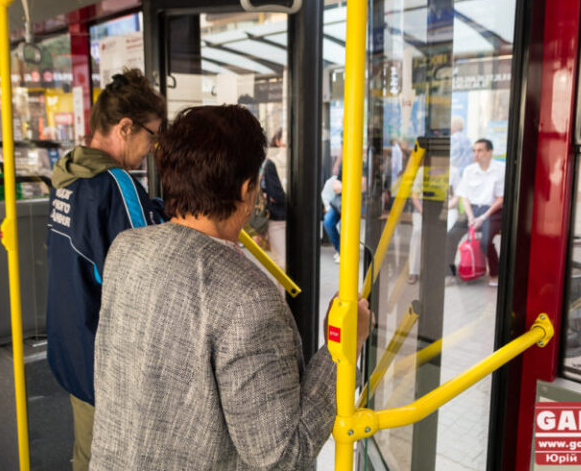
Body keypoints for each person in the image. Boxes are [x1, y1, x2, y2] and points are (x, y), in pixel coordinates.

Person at [90, 105, 372, 471]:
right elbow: (283, 455)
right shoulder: (248, 298)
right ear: (246, 190)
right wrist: (340, 353)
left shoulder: (126, 249)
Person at [45, 68, 166, 471]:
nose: (152, 147)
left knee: (87, 454)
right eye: (152, 135)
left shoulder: (67, 177)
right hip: (106, 356)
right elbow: (147, 266)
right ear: (126, 127)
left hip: (70, 341)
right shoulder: (116, 183)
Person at [445, 138, 504, 287]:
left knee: (486, 241)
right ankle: (449, 274)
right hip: (471, 209)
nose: (476, 154)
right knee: (451, 236)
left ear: (490, 152)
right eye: (474, 151)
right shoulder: (469, 170)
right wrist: (471, 215)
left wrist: (482, 217)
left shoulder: (500, 169)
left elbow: (500, 199)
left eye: (480, 151)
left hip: (492, 210)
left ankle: (495, 274)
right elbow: (464, 196)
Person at [264, 131, 287, 271]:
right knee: (282, 264)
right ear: (278, 142)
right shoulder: (272, 163)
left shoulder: (302, 162)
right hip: (278, 220)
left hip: (296, 220)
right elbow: (275, 195)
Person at [322, 161, 342, 263]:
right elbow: (336, 187)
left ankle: (343, 252)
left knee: (344, 226)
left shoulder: (363, 164)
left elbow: (363, 185)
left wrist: (342, 187)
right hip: (339, 201)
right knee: (328, 222)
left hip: (353, 202)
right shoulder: (344, 164)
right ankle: (340, 250)